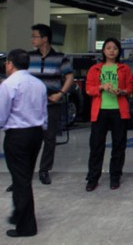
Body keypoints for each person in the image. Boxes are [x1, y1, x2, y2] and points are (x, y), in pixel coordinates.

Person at [0, 49, 47, 238]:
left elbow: (2, 113)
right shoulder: (39, 84)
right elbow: (44, 112)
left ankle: (26, 227)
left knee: (21, 181)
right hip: (36, 133)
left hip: (17, 135)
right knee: (24, 177)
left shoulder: (9, 84)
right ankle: (18, 214)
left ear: (10, 64)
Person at [84, 38, 133, 192]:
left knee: (119, 145)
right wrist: (101, 87)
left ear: (119, 51)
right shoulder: (95, 69)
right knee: (96, 146)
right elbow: (88, 89)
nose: (112, 51)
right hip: (100, 111)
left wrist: (121, 91)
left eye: (115, 48)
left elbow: (129, 88)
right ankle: (93, 178)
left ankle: (115, 176)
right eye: (108, 48)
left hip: (119, 111)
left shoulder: (124, 69)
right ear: (103, 51)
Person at [29, 23, 74, 186]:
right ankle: (25, 172)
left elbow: (69, 77)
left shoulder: (60, 58)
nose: (33, 40)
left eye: (35, 36)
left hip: (51, 103)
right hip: (32, 105)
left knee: (49, 139)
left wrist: (60, 93)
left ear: (45, 38)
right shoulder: (29, 57)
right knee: (29, 139)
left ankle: (44, 170)